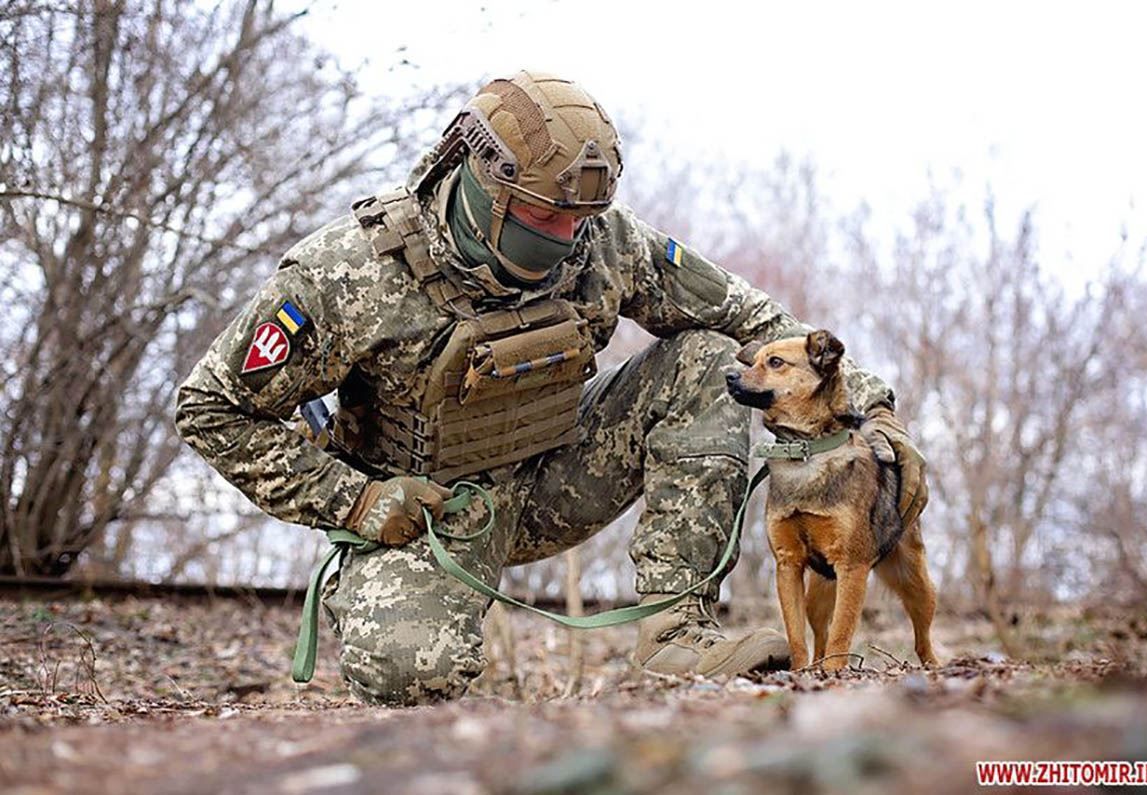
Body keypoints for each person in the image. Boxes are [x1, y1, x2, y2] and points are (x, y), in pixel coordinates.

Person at [175, 71, 927, 706]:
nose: (568, 234)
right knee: (410, 670)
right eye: (545, 214)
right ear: (483, 181)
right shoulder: (345, 276)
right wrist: (355, 501)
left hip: (556, 477)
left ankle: (676, 630)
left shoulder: (604, 239)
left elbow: (747, 315)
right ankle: (382, 598)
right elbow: (210, 408)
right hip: (429, 516)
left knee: (703, 358)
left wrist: (874, 409)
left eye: (581, 216)